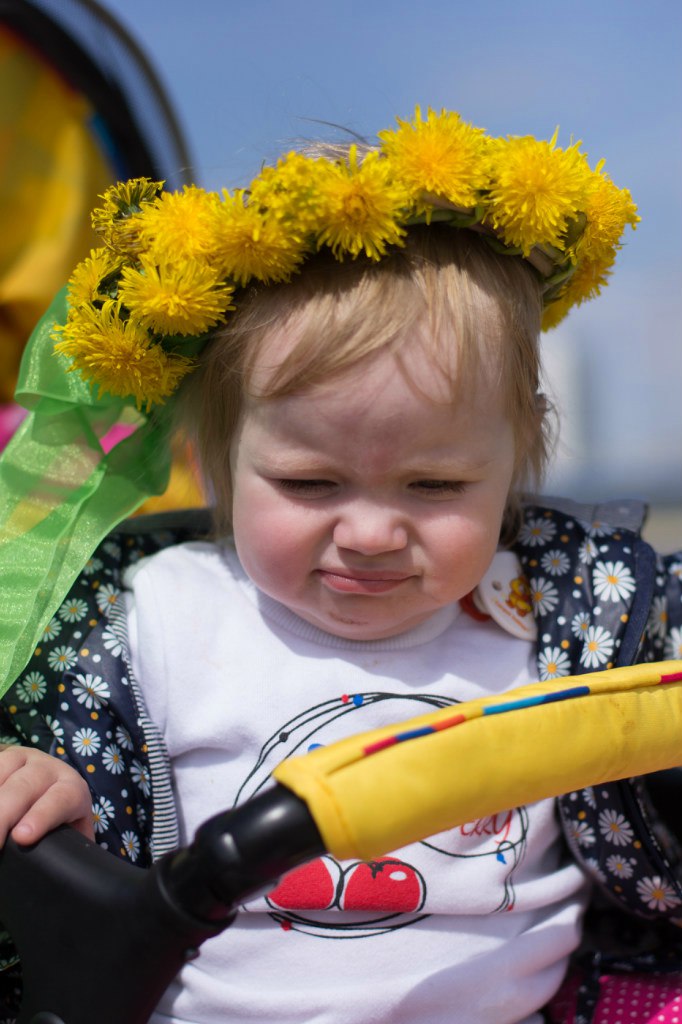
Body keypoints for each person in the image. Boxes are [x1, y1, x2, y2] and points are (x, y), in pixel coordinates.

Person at [0, 107, 681, 1024]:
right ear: (216, 460)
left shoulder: (572, 615)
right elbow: (79, 829)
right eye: (310, 482)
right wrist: (51, 795)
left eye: (434, 485)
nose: (369, 533)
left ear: (519, 463)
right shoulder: (148, 620)